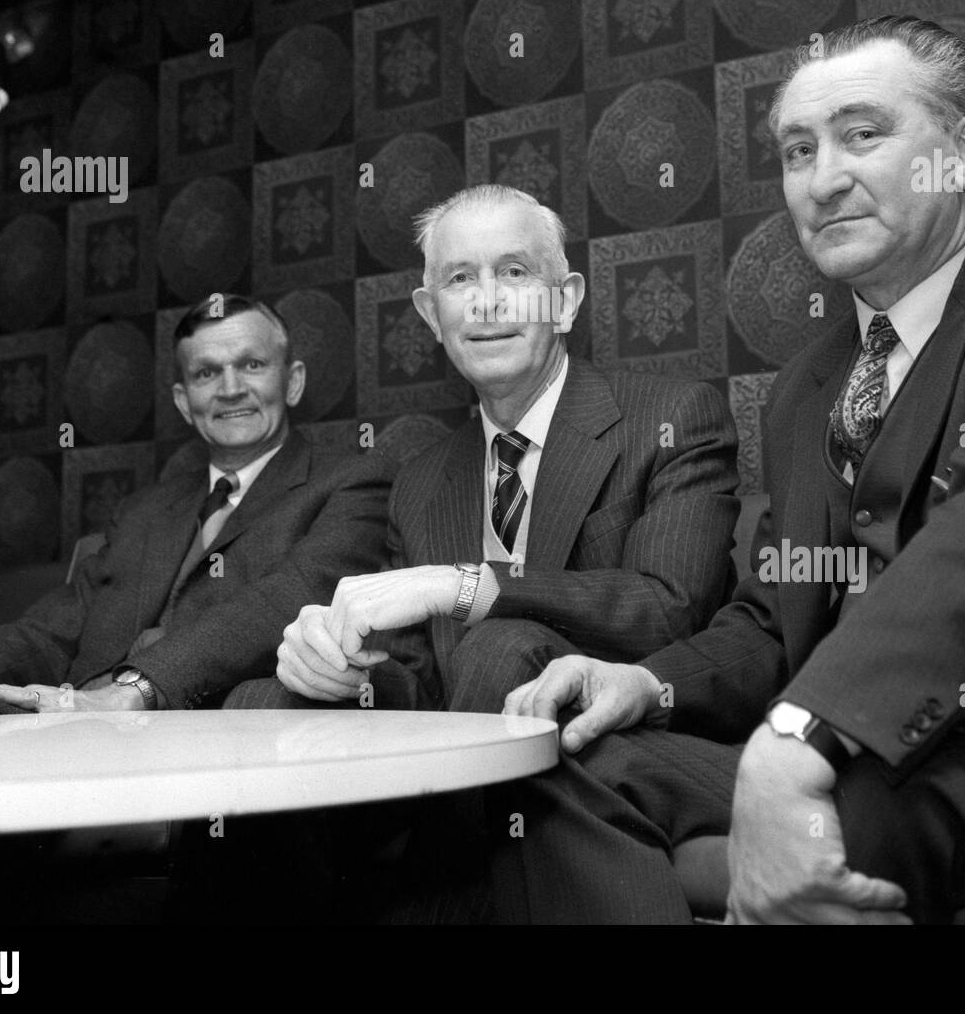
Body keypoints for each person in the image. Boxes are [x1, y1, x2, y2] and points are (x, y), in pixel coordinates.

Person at [497, 15, 965, 924]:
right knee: (550, 763)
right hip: (843, 755)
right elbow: (777, 615)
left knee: (846, 821)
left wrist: (800, 729)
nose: (823, 179)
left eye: (864, 134)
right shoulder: (807, 388)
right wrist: (646, 683)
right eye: (797, 150)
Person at [243, 184, 740, 718]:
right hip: (467, 751)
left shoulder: (672, 419)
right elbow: (422, 688)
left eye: (514, 272)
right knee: (265, 695)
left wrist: (468, 588)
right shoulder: (420, 483)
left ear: (565, 302)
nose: (487, 300)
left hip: (614, 745)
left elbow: (670, 611)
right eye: (460, 279)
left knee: (500, 648)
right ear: (433, 316)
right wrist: (340, 670)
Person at [0, 293, 392, 718]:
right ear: (185, 401)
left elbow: (286, 600)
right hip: (69, 716)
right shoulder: (146, 509)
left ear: (292, 380)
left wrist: (134, 689)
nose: (231, 389)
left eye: (252, 365)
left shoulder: (350, 480)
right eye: (207, 374)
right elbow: (56, 625)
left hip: (198, 722)